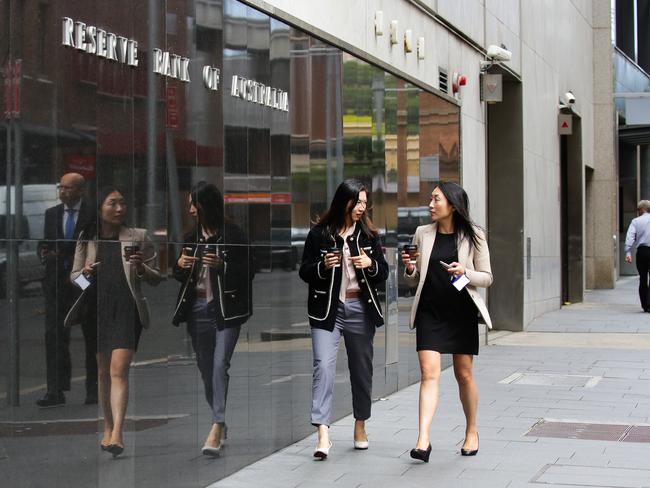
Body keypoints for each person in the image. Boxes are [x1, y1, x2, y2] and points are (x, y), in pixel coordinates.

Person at [66, 187, 163, 457]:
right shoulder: (87, 238)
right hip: (96, 310)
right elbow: (76, 280)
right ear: (100, 208)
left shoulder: (138, 236)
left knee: (119, 369)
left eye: (122, 203)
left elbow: (157, 277)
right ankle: (107, 425)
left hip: (127, 309)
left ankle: (118, 432)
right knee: (102, 372)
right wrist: (85, 273)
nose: (119, 208)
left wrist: (142, 267)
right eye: (113, 203)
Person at [402, 182, 492, 463]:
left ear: (452, 205)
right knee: (429, 373)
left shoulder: (474, 235)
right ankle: (423, 439)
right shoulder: (422, 233)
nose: (430, 204)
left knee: (463, 374)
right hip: (430, 311)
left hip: (460, 312)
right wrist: (409, 267)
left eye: (436, 199)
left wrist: (464, 272)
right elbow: (414, 279)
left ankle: (472, 431)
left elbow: (487, 277)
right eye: (430, 199)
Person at [299, 179, 388, 460]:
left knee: (361, 369)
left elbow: (383, 273)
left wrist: (370, 264)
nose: (361, 207)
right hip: (327, 311)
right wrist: (322, 267)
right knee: (323, 367)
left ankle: (360, 424)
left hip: (360, 308)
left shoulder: (370, 236)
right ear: (344, 201)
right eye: (357, 202)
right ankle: (322, 432)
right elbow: (304, 271)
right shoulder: (319, 234)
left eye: (364, 202)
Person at [173, 182, 254, 457]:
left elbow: (249, 271)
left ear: (208, 206)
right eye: (190, 205)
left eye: (196, 204)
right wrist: (180, 266)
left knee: (220, 365)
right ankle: (219, 419)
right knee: (207, 370)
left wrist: (224, 266)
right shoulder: (191, 237)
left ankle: (216, 425)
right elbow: (180, 274)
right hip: (197, 309)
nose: (192, 210)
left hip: (226, 309)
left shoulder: (234, 234)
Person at [36, 173, 96, 407]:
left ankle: (93, 388)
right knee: (54, 336)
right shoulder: (52, 214)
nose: (62, 191)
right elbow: (45, 243)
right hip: (57, 283)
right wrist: (45, 254)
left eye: (68, 188)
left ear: (80, 191)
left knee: (91, 333)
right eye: (60, 187)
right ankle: (55, 390)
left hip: (82, 280)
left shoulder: (92, 213)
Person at [624, 200, 650, 312]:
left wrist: (628, 252)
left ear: (641, 209)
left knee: (643, 278)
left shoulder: (635, 221)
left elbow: (630, 237)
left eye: (638, 210)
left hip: (642, 251)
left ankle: (645, 305)